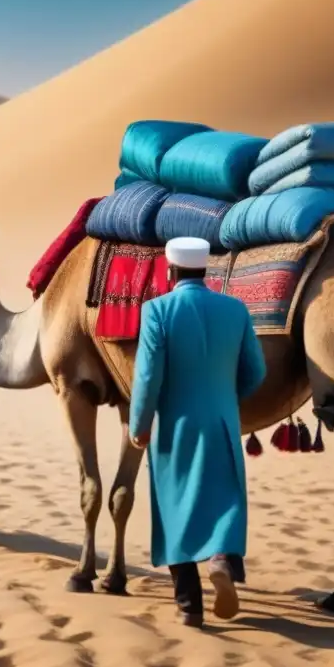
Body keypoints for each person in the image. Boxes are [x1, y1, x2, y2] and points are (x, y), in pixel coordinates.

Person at [129, 236, 266, 628]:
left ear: (170, 271)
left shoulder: (157, 310)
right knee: (225, 500)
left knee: (177, 511)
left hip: (176, 427)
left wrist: (140, 426)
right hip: (223, 423)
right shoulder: (235, 310)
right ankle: (222, 558)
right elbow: (256, 372)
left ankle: (190, 606)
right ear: (204, 270)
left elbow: (148, 376)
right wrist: (226, 396)